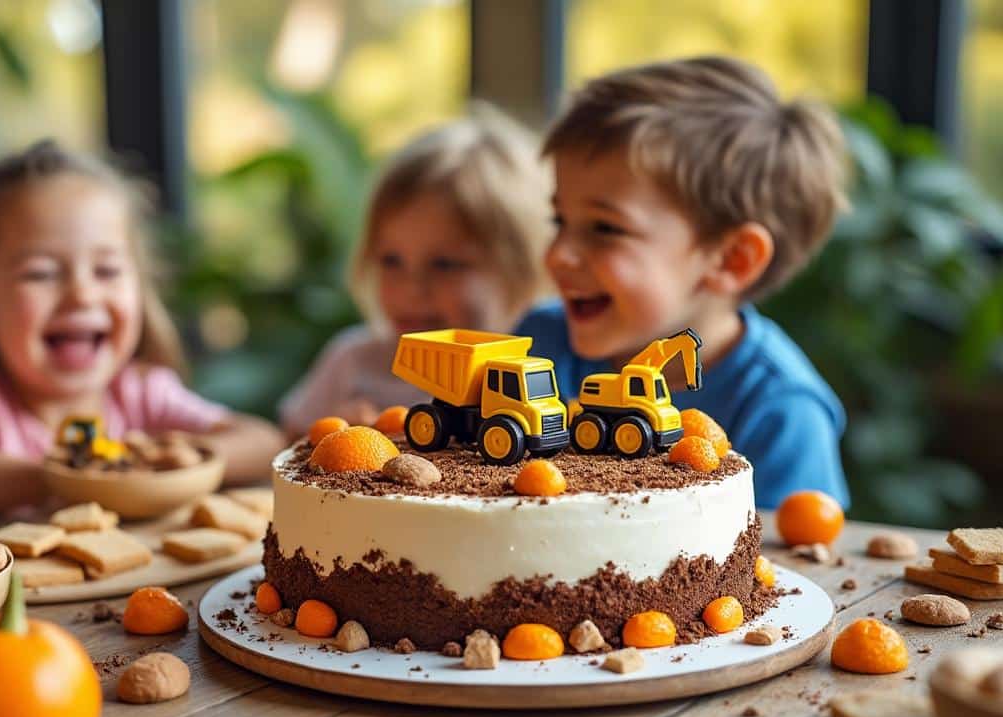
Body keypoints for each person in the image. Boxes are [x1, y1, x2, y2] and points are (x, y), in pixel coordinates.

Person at [517, 56, 850, 509]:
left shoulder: (781, 409)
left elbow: (802, 550)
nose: (557, 255)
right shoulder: (536, 345)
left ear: (732, 259)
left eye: (605, 228)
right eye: (560, 220)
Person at [0, 140, 284, 521]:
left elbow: (263, 441)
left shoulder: (140, 392)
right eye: (41, 273)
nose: (82, 294)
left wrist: (169, 457)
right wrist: (72, 479)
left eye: (107, 271)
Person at [279, 106, 552, 437]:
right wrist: (325, 437)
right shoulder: (352, 361)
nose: (411, 289)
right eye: (391, 260)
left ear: (521, 269)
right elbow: (288, 445)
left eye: (445, 265)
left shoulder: (541, 371)